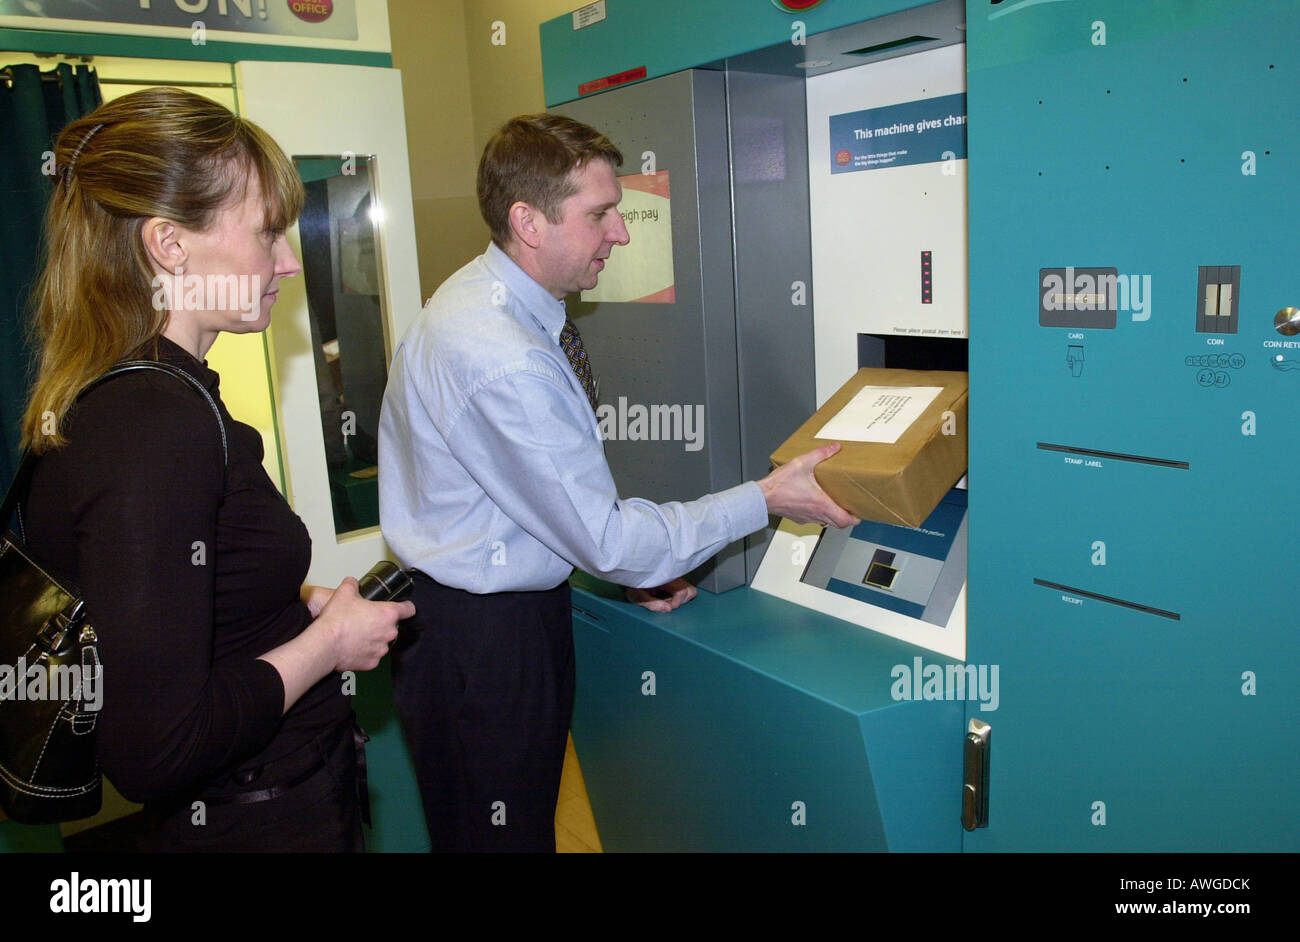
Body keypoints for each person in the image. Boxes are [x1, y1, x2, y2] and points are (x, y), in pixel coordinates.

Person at [379, 112, 856, 852]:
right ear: (527, 221)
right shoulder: (500, 353)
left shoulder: (487, 302)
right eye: (601, 214)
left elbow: (537, 506)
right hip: (484, 645)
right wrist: (765, 498)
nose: (622, 234)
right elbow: (604, 536)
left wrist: (617, 564)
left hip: (480, 624)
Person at [17, 88, 415, 852]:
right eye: (268, 234)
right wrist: (330, 646)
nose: (290, 262)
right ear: (169, 244)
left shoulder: (157, 393)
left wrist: (287, 599)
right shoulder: (153, 426)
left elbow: (174, 605)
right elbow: (154, 749)